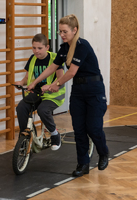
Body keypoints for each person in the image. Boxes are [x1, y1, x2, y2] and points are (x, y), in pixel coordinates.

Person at [27, 14, 109, 177]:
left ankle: (103, 153)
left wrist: (56, 84)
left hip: (94, 90)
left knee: (93, 128)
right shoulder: (64, 49)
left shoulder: (82, 45)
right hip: (78, 91)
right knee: (79, 129)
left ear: (74, 30)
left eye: (65, 31)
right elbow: (52, 67)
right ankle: (83, 164)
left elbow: (71, 72)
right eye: (60, 32)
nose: (62, 35)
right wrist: (35, 82)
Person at [14, 33, 66, 151]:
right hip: (37, 93)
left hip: (53, 95)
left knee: (43, 110)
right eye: (34, 48)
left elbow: (61, 79)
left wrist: (50, 86)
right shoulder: (32, 59)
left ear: (47, 47)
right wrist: (21, 83)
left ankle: (54, 134)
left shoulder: (54, 58)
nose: (36, 51)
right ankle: (24, 137)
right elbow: (27, 78)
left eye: (39, 48)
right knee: (21, 108)